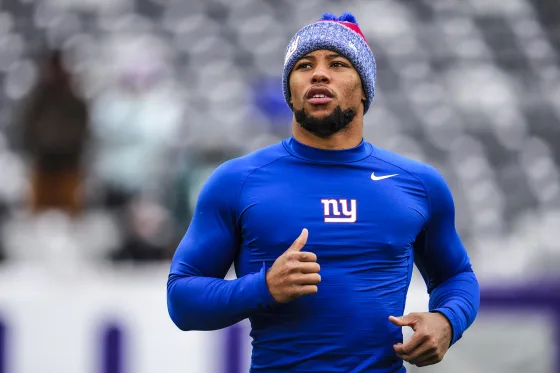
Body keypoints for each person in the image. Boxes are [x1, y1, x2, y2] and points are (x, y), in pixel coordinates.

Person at [167, 12, 480, 372]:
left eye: (337, 63)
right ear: (290, 91)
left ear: (364, 88)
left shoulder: (418, 184)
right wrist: (263, 287)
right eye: (303, 65)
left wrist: (447, 320)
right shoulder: (236, 181)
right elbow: (182, 300)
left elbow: (455, 276)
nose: (318, 73)